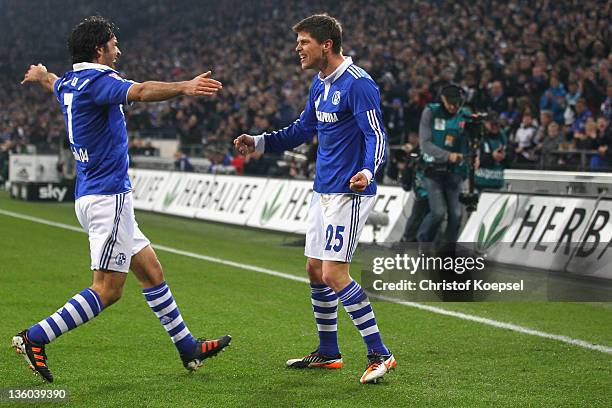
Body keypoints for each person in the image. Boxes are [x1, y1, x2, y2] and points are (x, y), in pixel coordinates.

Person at [13, 16, 231, 383]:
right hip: (107, 197)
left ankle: (187, 347)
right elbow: (142, 91)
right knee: (108, 289)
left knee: (151, 272)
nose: (119, 50)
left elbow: (53, 83)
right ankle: (36, 337)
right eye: (114, 44)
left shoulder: (70, 82)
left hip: (94, 196)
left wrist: (41, 74)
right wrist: (185, 86)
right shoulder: (100, 80)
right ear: (100, 49)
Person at [233, 14, 395, 384]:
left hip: (348, 192)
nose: (297, 49)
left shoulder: (358, 84)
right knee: (313, 269)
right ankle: (328, 351)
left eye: (303, 42)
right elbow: (303, 129)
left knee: (334, 273)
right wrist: (260, 142)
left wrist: (368, 171)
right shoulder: (320, 85)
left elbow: (376, 135)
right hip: (322, 190)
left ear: (326, 45)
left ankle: (380, 353)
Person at [416, 84, 470, 246]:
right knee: (438, 212)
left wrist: (474, 156)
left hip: (455, 172)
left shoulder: (464, 115)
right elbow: (425, 144)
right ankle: (423, 242)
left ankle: (447, 252)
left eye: (457, 103)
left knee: (456, 214)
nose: (454, 106)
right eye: (451, 103)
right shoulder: (431, 112)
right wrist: (448, 156)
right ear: (443, 99)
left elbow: (469, 142)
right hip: (433, 171)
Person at [475, 112, 507, 191]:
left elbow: (510, 154)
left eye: (497, 124)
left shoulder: (502, 136)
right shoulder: (479, 136)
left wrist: (505, 156)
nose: (495, 127)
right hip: (481, 183)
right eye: (493, 124)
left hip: (497, 183)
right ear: (486, 123)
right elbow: (475, 160)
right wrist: (492, 156)